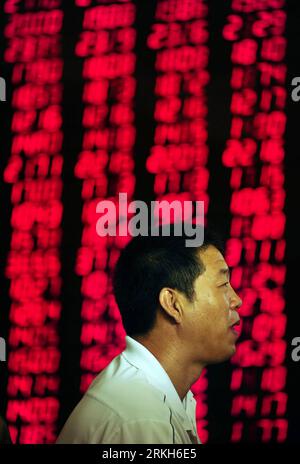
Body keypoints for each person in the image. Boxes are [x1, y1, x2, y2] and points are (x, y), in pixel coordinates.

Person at [56, 224, 242, 444]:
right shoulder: (142, 419)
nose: (236, 300)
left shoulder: (148, 398)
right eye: (222, 284)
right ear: (172, 304)